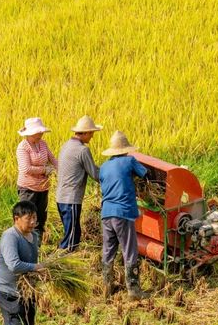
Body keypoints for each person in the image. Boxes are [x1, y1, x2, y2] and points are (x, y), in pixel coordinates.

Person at [99, 130, 150, 300]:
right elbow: (145, 174)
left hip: (106, 213)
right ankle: (134, 291)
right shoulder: (129, 161)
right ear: (126, 149)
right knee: (129, 250)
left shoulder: (104, 166)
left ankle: (107, 286)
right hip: (122, 213)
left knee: (108, 249)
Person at [0, 200, 46, 325]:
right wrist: (36, 267)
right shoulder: (10, 236)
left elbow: (30, 260)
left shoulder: (34, 235)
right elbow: (14, 265)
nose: (32, 222)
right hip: (8, 292)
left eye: (34, 218)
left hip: (26, 290)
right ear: (16, 219)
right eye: (28, 218)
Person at [56, 115, 103, 251]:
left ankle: (66, 261)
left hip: (61, 197)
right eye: (92, 133)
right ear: (86, 133)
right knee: (71, 239)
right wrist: (113, 176)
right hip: (71, 199)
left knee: (72, 233)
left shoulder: (66, 145)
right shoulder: (82, 150)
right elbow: (95, 174)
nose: (92, 137)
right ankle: (61, 264)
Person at [16, 117, 58, 242]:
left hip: (43, 187)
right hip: (28, 188)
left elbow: (53, 159)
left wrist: (60, 170)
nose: (40, 135)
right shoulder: (23, 147)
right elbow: (26, 168)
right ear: (29, 134)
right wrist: (45, 170)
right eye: (37, 133)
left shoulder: (43, 144)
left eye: (41, 132)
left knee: (40, 216)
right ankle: (24, 243)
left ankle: (37, 244)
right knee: (27, 217)